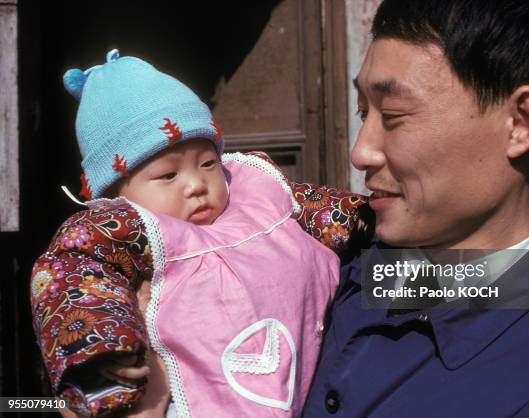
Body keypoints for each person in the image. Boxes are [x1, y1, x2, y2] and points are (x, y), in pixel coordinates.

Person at [302, 0, 529, 416]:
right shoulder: (324, 264)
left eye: (393, 114)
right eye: (363, 112)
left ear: (519, 123)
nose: (362, 152)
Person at [30, 49, 371, 417]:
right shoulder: (124, 228)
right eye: (168, 175)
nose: (196, 184)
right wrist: (103, 356)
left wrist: (366, 218)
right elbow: (72, 272)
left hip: (309, 384)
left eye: (208, 163)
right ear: (116, 192)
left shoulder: (254, 189)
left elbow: (318, 206)